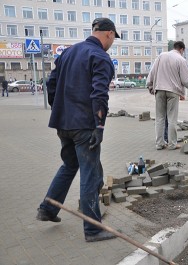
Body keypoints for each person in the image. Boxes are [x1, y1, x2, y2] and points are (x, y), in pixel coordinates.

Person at [36, 17, 119, 242]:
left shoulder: (68, 52)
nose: (112, 42)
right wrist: (99, 126)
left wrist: (60, 110)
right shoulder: (100, 57)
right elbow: (99, 94)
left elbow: (51, 84)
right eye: (113, 38)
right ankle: (92, 229)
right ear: (109, 33)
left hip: (63, 123)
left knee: (70, 164)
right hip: (84, 126)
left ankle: (48, 208)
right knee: (91, 174)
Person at [147, 41, 188, 150]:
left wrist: (150, 85)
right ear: (182, 49)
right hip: (173, 92)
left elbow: (152, 72)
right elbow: (184, 79)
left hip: (159, 89)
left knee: (159, 118)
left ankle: (159, 144)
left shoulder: (161, 56)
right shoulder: (181, 60)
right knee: (172, 118)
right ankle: (172, 144)